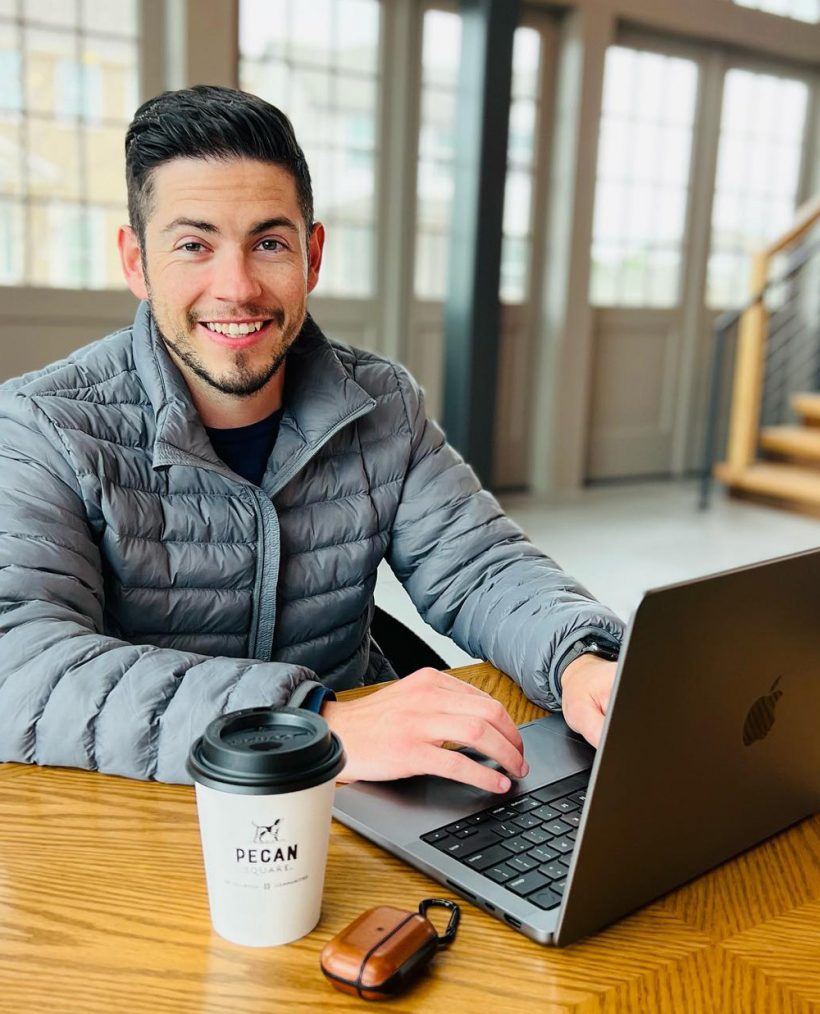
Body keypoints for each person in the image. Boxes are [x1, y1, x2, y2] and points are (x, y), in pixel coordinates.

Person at [0, 85, 623, 791]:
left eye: (268, 243)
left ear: (313, 256)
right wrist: (310, 725)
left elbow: (480, 565)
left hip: (363, 795)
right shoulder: (40, 425)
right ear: (137, 261)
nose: (236, 287)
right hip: (152, 805)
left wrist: (582, 658)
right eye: (193, 245)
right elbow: (17, 665)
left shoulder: (382, 403)